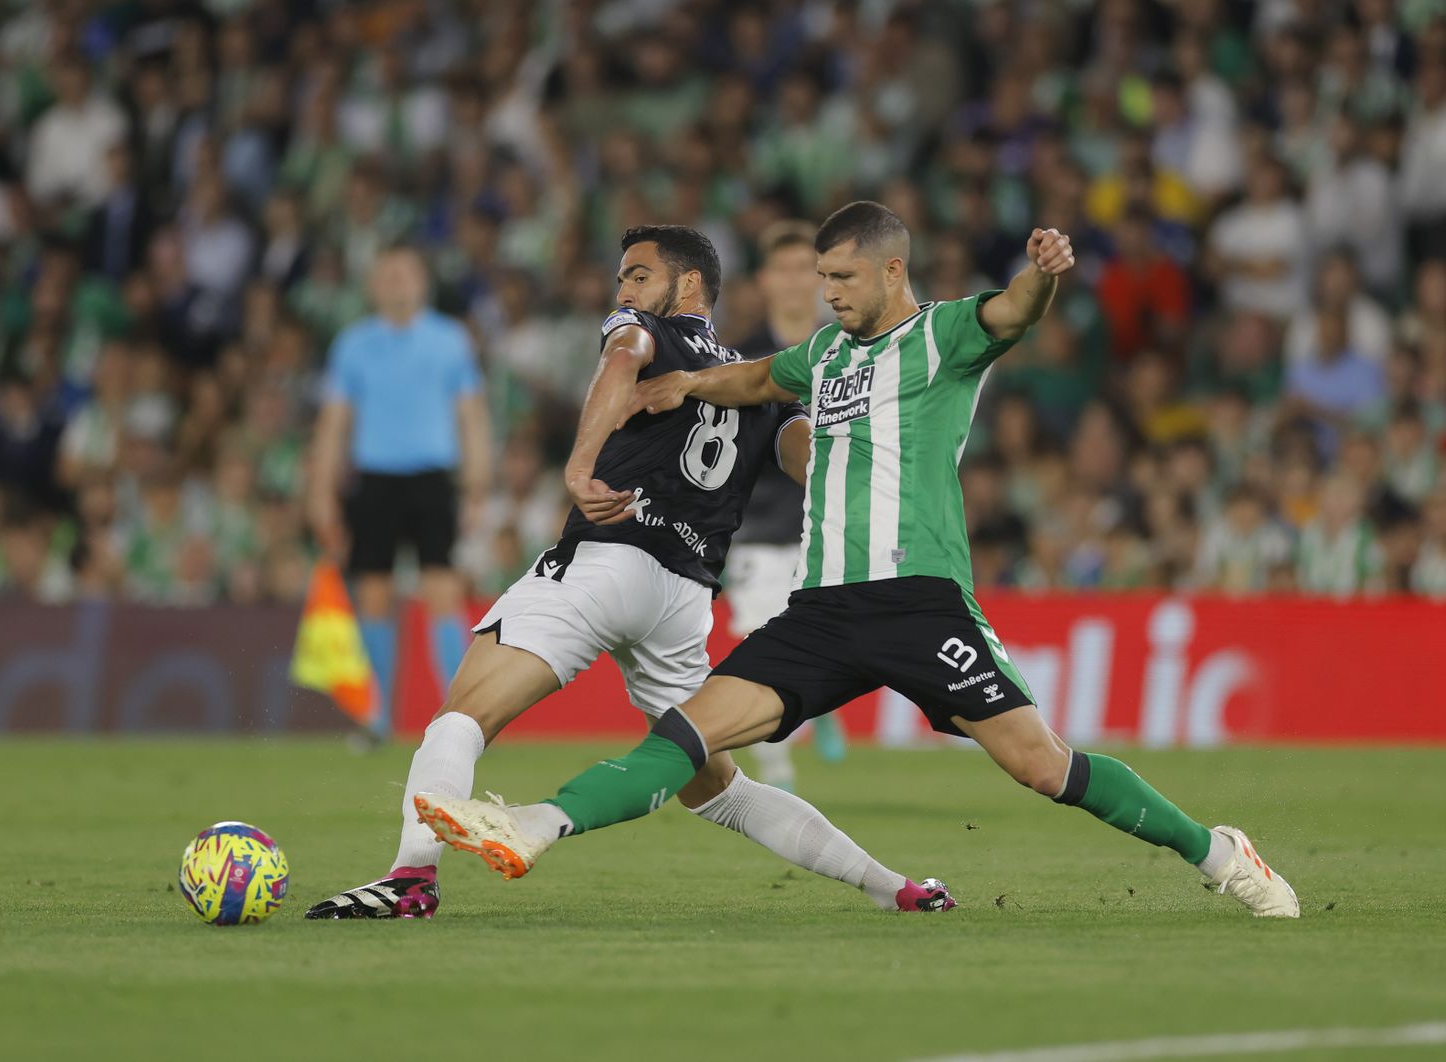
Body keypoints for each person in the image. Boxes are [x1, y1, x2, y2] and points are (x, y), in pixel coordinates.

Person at [415, 201, 1300, 919]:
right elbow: (761, 379)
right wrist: (688, 383)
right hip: (824, 611)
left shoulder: (947, 337)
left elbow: (1016, 311)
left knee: (1044, 767)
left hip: (924, 605)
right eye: (820, 277)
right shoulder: (826, 355)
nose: (827, 293)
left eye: (840, 278)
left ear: (890, 271)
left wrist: (1043, 272)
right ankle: (536, 823)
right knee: (687, 736)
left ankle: (1219, 853)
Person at [306, 225, 954, 919]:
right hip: (682, 601)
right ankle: (897, 888)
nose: (624, 291)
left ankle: (410, 879)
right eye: (623, 279)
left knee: (460, 718)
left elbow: (622, 358)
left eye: (638, 275)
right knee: (719, 790)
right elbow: (815, 465)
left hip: (607, 561)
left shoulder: (648, 331)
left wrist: (579, 465)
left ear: (690, 286)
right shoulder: (757, 385)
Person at [307, 246, 491, 738]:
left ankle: (462, 718)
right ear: (373, 285)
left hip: (433, 478)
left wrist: (476, 486)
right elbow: (333, 423)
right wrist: (321, 493)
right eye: (387, 275)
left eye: (405, 274)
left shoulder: (451, 340)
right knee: (372, 595)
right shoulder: (353, 345)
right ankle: (375, 718)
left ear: (422, 282)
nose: (396, 283)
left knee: (443, 594)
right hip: (375, 480)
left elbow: (471, 416)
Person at [726, 219, 845, 791]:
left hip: (839, 518)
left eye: (808, 270)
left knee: (836, 631)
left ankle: (820, 710)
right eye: (786, 269)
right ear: (765, 280)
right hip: (761, 525)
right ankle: (778, 771)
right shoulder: (740, 357)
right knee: (763, 640)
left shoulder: (852, 346)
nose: (797, 282)